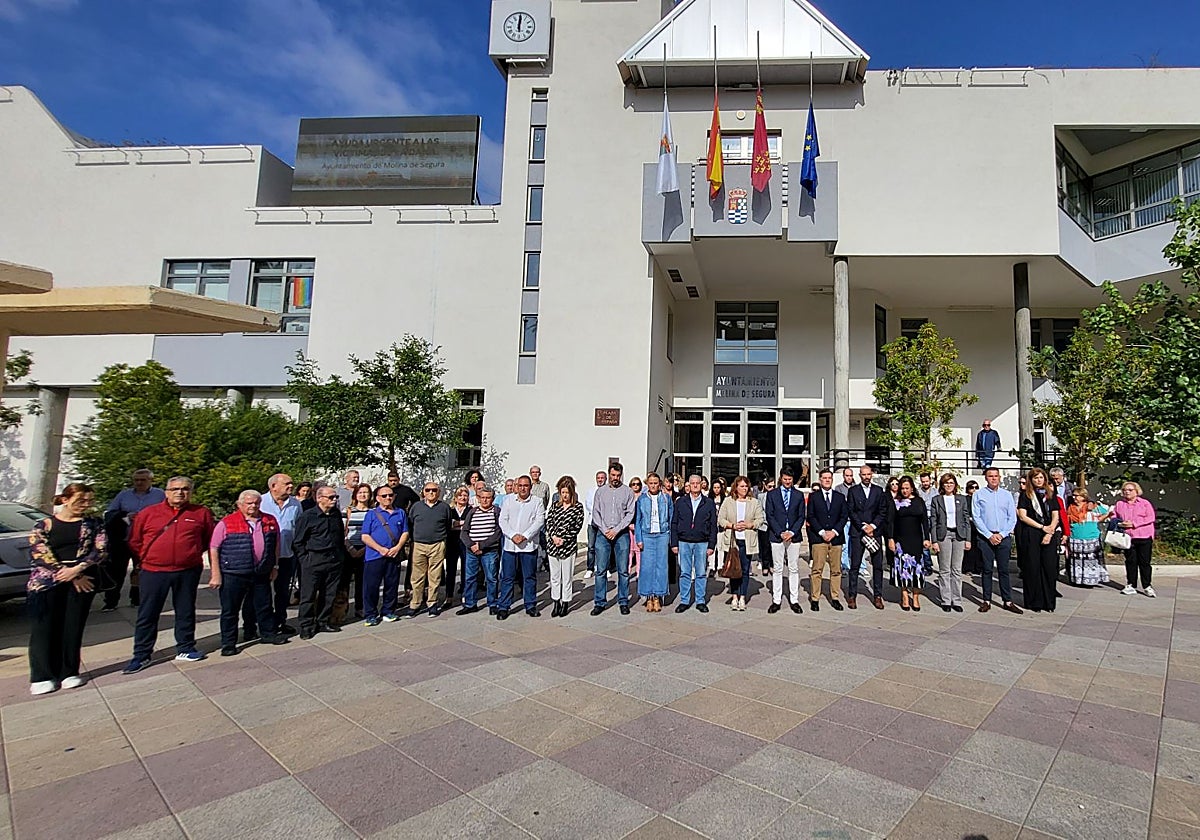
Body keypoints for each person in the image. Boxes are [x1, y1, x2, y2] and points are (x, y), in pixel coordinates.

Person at [123, 476, 215, 673]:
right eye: (175, 489)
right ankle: (142, 654)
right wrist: (151, 558)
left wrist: (189, 554)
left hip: (187, 570)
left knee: (185, 610)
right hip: (154, 571)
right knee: (148, 613)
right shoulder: (148, 513)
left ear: (190, 492)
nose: (180, 493)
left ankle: (185, 647)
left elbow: (207, 539)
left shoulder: (201, 513)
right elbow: (135, 540)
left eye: (185, 489)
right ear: (166, 492)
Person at [27, 484, 105, 695]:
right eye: (81, 500)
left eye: (90, 501)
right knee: (43, 629)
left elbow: (100, 550)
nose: (86, 505)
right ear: (65, 499)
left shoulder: (94, 524)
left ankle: (68, 671)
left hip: (81, 580)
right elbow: (39, 552)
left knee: (72, 627)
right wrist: (66, 572)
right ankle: (42, 675)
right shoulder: (43, 525)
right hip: (46, 583)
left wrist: (77, 571)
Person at [210, 490, 289, 656]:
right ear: (239, 505)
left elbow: (275, 545)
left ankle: (268, 634)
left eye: (256, 503)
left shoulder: (269, 520)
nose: (253, 506)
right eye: (249, 503)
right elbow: (214, 548)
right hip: (234, 572)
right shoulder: (227, 522)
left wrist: (274, 566)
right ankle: (228, 643)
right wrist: (216, 574)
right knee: (230, 610)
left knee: (264, 605)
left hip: (260, 571)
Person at [102, 469, 164, 611]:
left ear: (150, 481)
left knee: (141, 571)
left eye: (143, 480)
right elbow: (109, 513)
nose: (139, 483)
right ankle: (111, 601)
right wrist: (125, 516)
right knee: (116, 571)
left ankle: (137, 599)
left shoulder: (159, 495)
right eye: (136, 480)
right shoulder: (124, 495)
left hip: (146, 541)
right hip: (122, 539)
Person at [292, 486, 346, 638]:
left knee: (329, 594)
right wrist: (305, 559)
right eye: (331, 497)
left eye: (335, 497)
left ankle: (323, 621)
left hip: (334, 559)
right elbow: (298, 541)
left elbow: (340, 536)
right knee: (308, 596)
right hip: (313, 560)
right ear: (319, 498)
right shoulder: (308, 516)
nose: (334, 500)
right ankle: (306, 625)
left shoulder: (335, 514)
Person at [971, 467, 1023, 614]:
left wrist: (1002, 534)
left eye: (996, 476)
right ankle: (986, 600)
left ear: (999, 478)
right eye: (990, 476)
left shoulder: (1007, 495)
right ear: (986, 478)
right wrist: (989, 535)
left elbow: (1011, 517)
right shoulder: (978, 495)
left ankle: (1007, 600)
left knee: (1003, 570)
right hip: (986, 537)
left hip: (1003, 537)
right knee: (987, 570)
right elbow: (976, 517)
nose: (994, 478)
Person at [256, 473, 302, 638]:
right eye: (287, 484)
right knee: (262, 593)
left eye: (291, 483)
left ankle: (280, 621)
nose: (291, 486)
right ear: (273, 486)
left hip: (287, 555)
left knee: (283, 593)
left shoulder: (295, 504)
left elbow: (298, 528)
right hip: (264, 558)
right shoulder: (260, 502)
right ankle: (261, 624)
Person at [591, 462, 636, 615]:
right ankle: (600, 602)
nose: (615, 478)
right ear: (608, 474)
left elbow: (630, 514)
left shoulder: (628, 492)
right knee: (601, 570)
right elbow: (595, 513)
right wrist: (605, 529)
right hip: (603, 534)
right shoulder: (600, 492)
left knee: (623, 571)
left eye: (618, 475)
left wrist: (616, 530)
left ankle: (623, 601)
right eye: (613, 475)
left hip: (621, 533)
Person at [360, 484, 409, 625]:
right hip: (374, 556)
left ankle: (388, 611)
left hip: (393, 555)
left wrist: (398, 547)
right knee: (371, 586)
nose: (388, 498)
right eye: (384, 496)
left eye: (390, 495)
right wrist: (380, 549)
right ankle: (370, 613)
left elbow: (405, 532)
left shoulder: (400, 512)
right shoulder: (371, 514)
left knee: (392, 585)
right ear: (377, 498)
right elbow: (365, 536)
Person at [498, 475, 544, 619]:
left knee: (529, 577)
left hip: (528, 546)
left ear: (530, 487)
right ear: (517, 487)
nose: (523, 488)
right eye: (520, 486)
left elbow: (539, 521)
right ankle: (504, 606)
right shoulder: (508, 500)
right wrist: (512, 535)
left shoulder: (537, 502)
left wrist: (525, 535)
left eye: (526, 486)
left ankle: (530, 605)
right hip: (510, 546)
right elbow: (502, 520)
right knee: (507, 578)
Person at [1016, 467, 1061, 612]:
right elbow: (1023, 516)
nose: (1038, 480)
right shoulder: (1026, 495)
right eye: (1035, 478)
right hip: (1032, 533)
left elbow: (1056, 515)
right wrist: (1042, 527)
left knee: (1049, 568)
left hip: (1049, 534)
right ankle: (1034, 602)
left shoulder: (1051, 495)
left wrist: (1050, 531)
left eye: (1041, 478)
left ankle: (1048, 602)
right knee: (1033, 568)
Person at [670, 474, 717, 613]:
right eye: (692, 483)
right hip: (684, 542)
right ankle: (684, 600)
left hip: (702, 542)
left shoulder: (708, 503)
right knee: (685, 572)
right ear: (688, 485)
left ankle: (700, 600)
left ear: (701, 485)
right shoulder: (680, 502)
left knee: (701, 572)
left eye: (697, 483)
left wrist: (711, 545)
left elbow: (713, 525)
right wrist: (674, 543)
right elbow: (674, 523)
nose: (695, 485)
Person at [717, 475, 764, 611]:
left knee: (744, 569)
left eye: (746, 486)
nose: (744, 488)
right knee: (733, 569)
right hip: (733, 541)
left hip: (747, 540)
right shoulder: (728, 501)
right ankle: (734, 596)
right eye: (741, 486)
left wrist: (750, 525)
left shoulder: (754, 502)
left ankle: (742, 596)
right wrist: (732, 525)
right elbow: (721, 519)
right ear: (736, 487)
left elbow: (760, 519)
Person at [407, 482, 453, 617]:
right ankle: (415, 603)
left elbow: (447, 524)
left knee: (435, 576)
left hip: (437, 544)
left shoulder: (444, 507)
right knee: (417, 576)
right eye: (428, 490)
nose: (431, 492)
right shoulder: (416, 507)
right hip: (419, 544)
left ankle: (432, 603)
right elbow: (410, 524)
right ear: (423, 492)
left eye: (434, 490)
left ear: (438, 492)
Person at [764, 467, 806, 614]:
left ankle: (794, 600)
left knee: (793, 568)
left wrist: (792, 532)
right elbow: (770, 515)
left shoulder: (799, 495)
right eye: (785, 479)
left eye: (790, 479)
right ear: (780, 478)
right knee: (777, 568)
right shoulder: (772, 495)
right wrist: (780, 532)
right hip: (777, 536)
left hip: (794, 536)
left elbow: (801, 516)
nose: (787, 481)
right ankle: (776, 600)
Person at [806, 468, 848, 611]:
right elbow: (811, 516)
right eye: (824, 478)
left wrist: (834, 532)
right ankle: (815, 598)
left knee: (836, 570)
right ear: (820, 479)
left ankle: (835, 597)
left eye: (829, 478)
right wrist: (823, 532)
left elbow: (844, 516)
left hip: (836, 538)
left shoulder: (839, 497)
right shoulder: (814, 497)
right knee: (817, 569)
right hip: (819, 538)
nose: (827, 480)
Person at [887, 476, 930, 612]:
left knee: (917, 570)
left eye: (907, 488)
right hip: (900, 541)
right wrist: (890, 539)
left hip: (916, 540)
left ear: (912, 488)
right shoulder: (895, 502)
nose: (904, 491)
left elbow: (924, 521)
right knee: (902, 569)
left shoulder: (919, 501)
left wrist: (927, 538)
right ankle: (904, 595)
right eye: (902, 488)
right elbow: (890, 522)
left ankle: (916, 597)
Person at [848, 464, 888, 610]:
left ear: (872, 474)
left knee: (877, 565)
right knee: (855, 565)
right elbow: (851, 511)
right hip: (858, 531)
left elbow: (882, 511)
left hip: (875, 532)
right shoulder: (853, 491)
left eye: (868, 474)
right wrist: (864, 527)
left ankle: (878, 595)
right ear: (860, 475)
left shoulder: (878, 491)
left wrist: (873, 526)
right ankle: (852, 595)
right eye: (863, 475)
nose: (866, 477)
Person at [458, 487, 503, 615]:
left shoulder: (496, 511)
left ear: (492, 499)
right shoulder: (472, 512)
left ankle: (492, 603)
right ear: (478, 498)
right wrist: (472, 545)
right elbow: (464, 532)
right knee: (470, 578)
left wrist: (482, 545)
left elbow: (498, 532)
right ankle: (470, 604)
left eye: (488, 497)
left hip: (489, 551)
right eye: (482, 497)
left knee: (491, 578)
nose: (485, 500)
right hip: (471, 551)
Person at [545, 476, 584, 617]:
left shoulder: (578, 507)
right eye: (563, 492)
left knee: (566, 576)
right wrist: (554, 537)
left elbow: (577, 527)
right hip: (553, 546)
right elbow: (549, 522)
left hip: (568, 547)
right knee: (555, 577)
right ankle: (556, 602)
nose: (565, 495)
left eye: (567, 492)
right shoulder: (555, 506)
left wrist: (564, 539)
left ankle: (566, 602)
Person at [931, 473, 970, 613]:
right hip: (944, 535)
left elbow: (966, 520)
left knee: (957, 569)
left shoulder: (961, 499)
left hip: (959, 535)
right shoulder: (937, 500)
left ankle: (957, 600)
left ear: (955, 485)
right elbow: (933, 521)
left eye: (951, 483)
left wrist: (968, 539)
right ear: (942, 485)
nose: (949, 485)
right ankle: (946, 600)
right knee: (945, 569)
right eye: (946, 483)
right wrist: (934, 541)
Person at [635, 472, 673, 613]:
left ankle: (658, 596)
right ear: (647, 484)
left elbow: (671, 517)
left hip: (662, 534)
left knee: (661, 566)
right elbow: (638, 520)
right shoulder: (642, 499)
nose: (653, 485)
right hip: (647, 534)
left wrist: (670, 537)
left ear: (660, 484)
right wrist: (638, 538)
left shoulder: (666, 498)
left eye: (656, 483)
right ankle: (648, 596)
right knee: (647, 567)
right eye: (651, 483)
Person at [1113, 481, 1156, 597]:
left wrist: (1134, 524)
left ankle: (1147, 586)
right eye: (1125, 490)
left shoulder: (1145, 503)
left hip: (1144, 536)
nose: (1127, 492)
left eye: (1130, 490)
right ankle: (1131, 584)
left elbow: (1151, 518)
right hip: (1128, 537)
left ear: (1137, 491)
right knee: (1130, 562)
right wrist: (1121, 523)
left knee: (1145, 562)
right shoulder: (1120, 504)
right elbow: (1114, 517)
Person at [339, 483, 373, 623]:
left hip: (366, 550)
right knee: (344, 582)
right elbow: (342, 531)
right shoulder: (347, 511)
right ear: (355, 495)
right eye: (360, 492)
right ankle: (342, 609)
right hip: (348, 550)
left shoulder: (373, 512)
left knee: (363, 582)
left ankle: (360, 607)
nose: (363, 495)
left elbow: (375, 533)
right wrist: (350, 548)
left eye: (366, 492)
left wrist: (364, 549)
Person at [1066, 488, 1110, 587]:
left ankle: (1090, 581)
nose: (1074, 498)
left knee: (1090, 560)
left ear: (1083, 497)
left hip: (1091, 538)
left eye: (1076, 495)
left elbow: (1107, 512)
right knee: (1077, 561)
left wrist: (1099, 518)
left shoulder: (1092, 507)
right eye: (1073, 495)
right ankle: (1077, 580)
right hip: (1075, 537)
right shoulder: (1070, 508)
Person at [444, 486, 471, 608]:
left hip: (465, 542)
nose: (463, 497)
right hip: (452, 541)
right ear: (456, 497)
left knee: (467, 569)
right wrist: (462, 523)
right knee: (450, 570)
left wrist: (457, 523)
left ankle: (465, 594)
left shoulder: (471, 510)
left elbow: (471, 525)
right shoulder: (449, 510)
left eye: (465, 495)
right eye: (460, 495)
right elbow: (448, 525)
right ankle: (449, 596)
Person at [583, 470, 605, 580]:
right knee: (591, 547)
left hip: (604, 523)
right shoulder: (591, 491)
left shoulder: (608, 491)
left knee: (602, 547)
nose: (600, 480)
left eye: (602, 478)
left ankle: (602, 567)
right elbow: (588, 505)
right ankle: (590, 568)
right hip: (592, 522)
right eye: (598, 478)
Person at [962, 480, 982, 575]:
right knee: (969, 547)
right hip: (969, 525)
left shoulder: (980, 498)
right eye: (972, 487)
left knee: (979, 547)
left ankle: (978, 568)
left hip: (979, 525)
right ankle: (968, 568)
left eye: (976, 487)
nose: (974, 489)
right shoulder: (965, 499)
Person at [627, 476, 643, 578]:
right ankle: (627, 570)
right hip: (628, 526)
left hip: (639, 526)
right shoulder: (628, 497)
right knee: (629, 549)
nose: (636, 486)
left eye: (637, 484)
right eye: (633, 484)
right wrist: (628, 524)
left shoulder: (643, 497)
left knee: (638, 550)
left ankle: (638, 570)